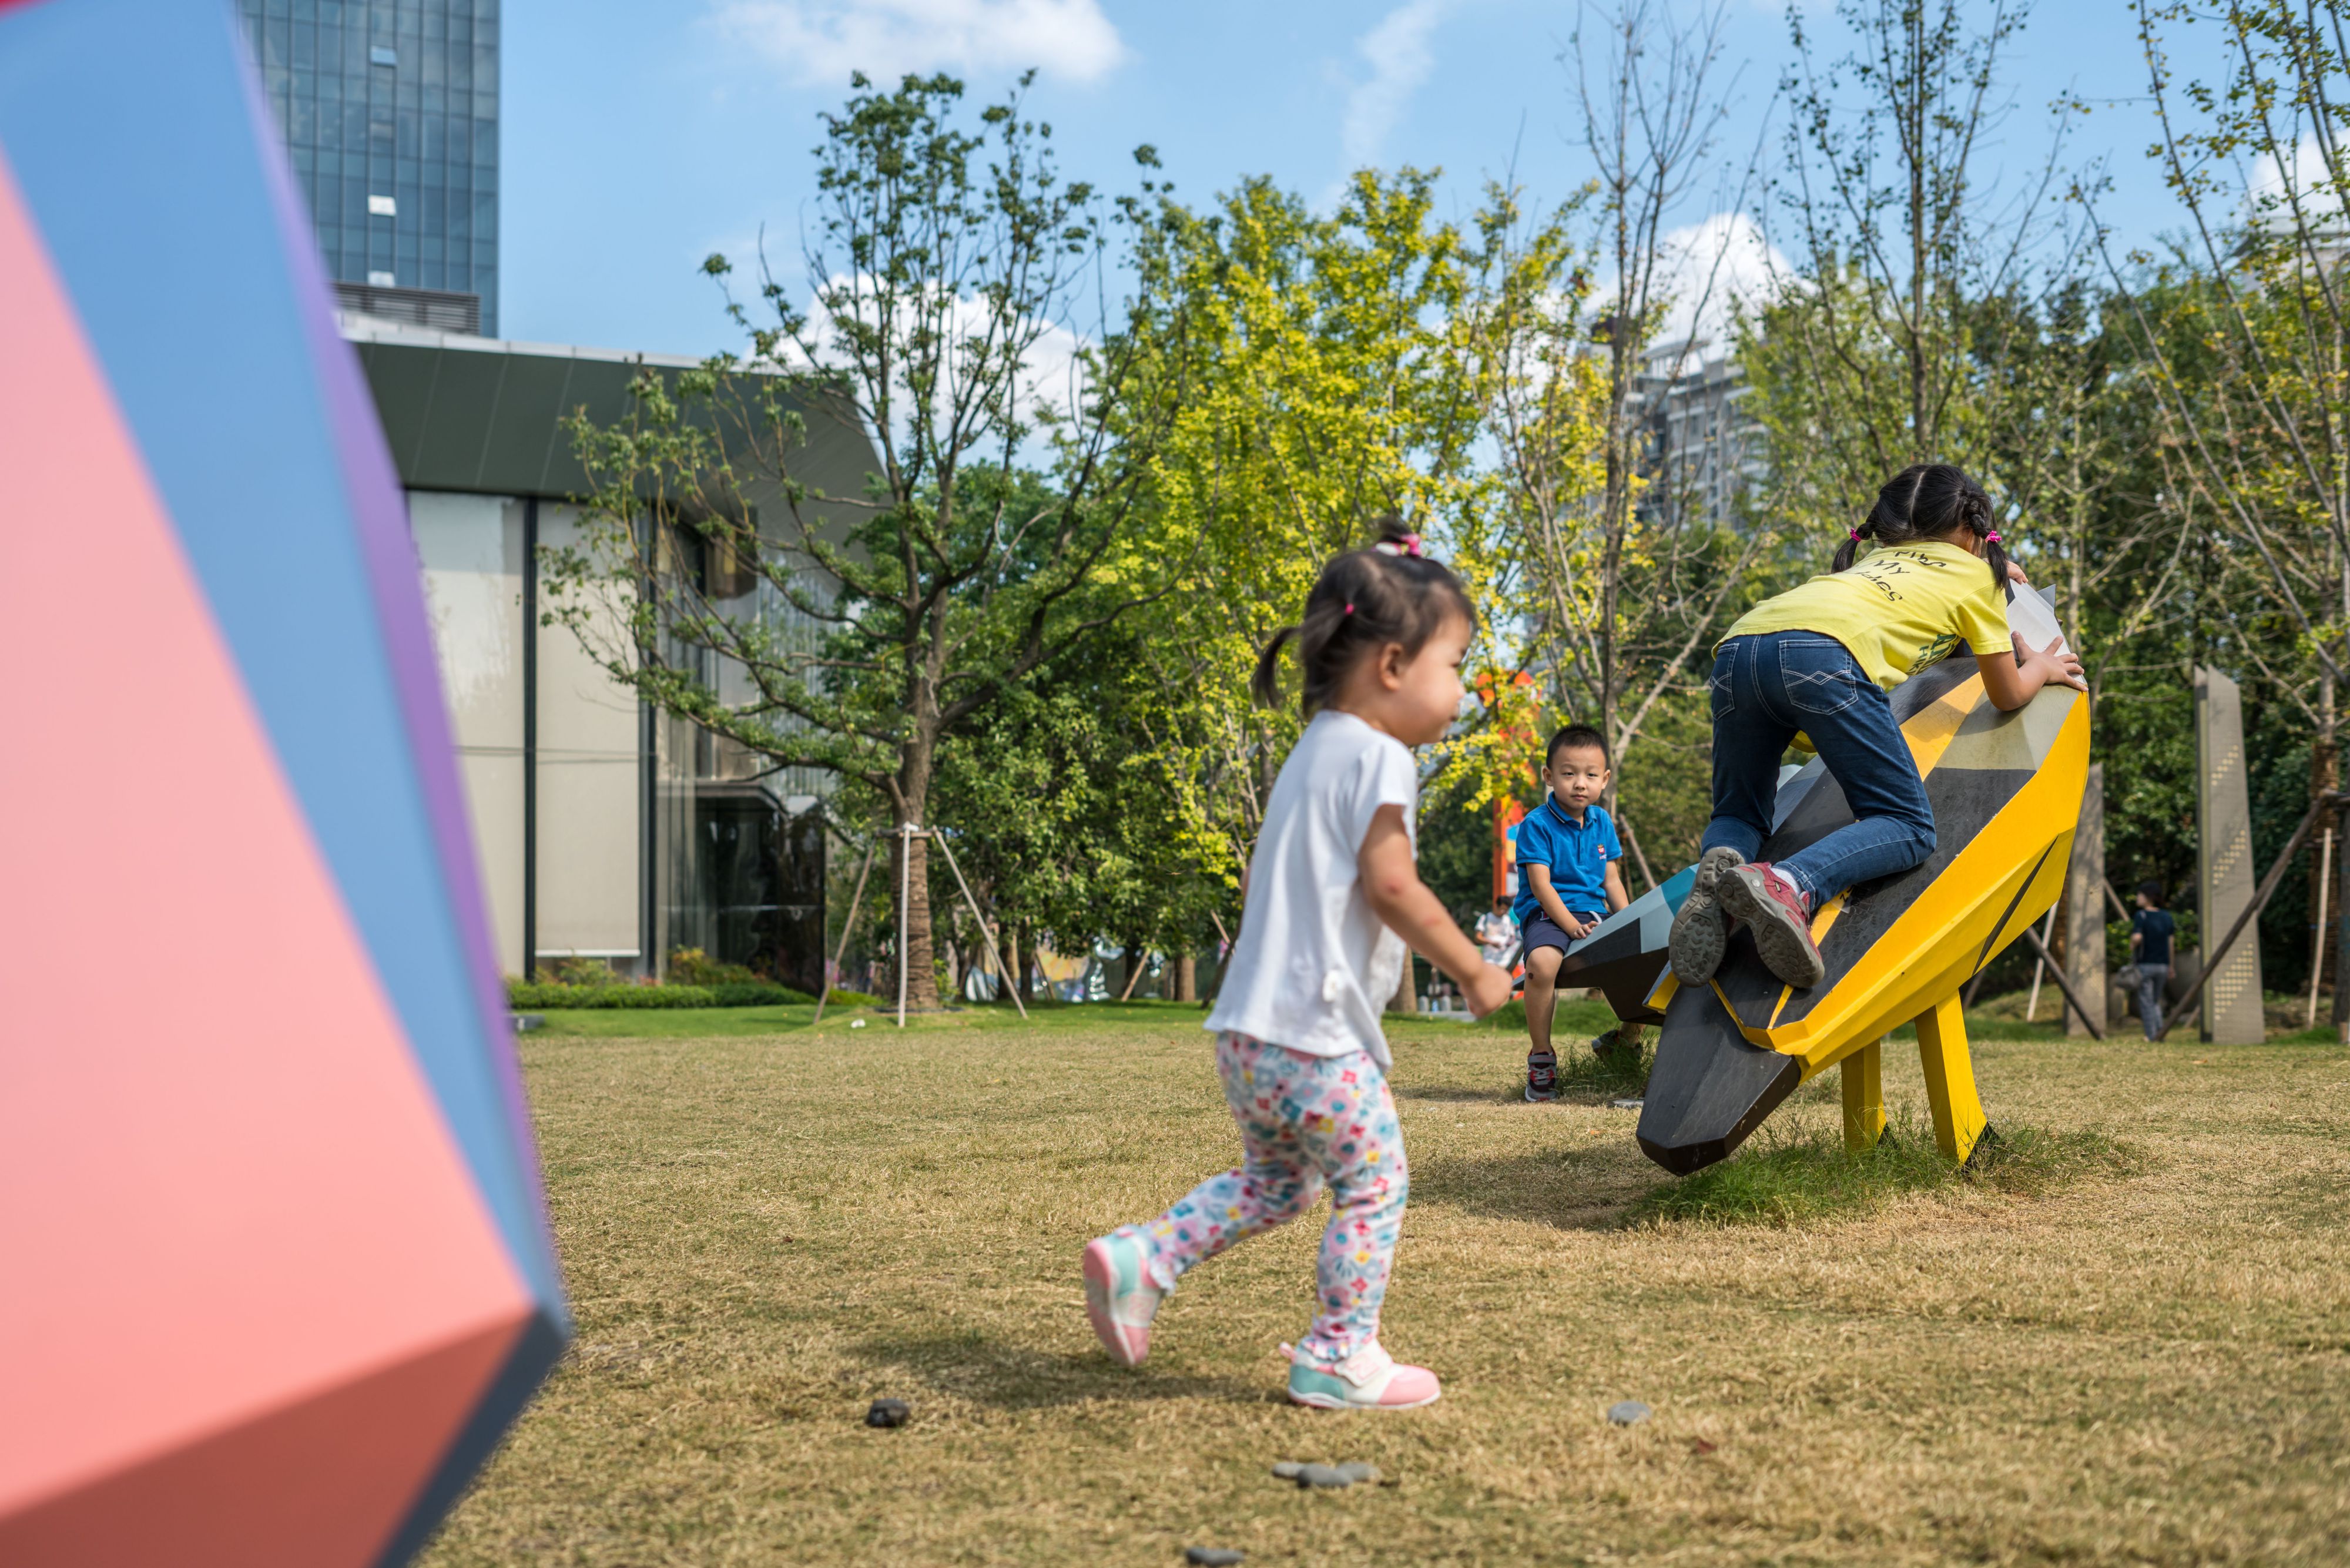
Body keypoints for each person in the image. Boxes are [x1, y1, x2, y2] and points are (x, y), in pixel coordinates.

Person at [1080, 522, 1513, 1412]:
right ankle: (1337, 1354)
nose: (1461, 688)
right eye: (1454, 663)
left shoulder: (1313, 747)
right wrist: (1472, 969)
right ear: (1391, 666)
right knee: (1375, 1184)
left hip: (1248, 1030)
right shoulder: (1381, 755)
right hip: (1313, 1037)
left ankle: (1146, 1256)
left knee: (1278, 1182)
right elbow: (1391, 886)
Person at [1670, 464, 2087, 990]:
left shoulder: (1873, 561)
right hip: (1822, 658)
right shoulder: (1977, 576)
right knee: (1907, 826)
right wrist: (2043, 668)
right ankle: (1788, 883)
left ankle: (1721, 864)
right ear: (1973, 529)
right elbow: (2006, 695)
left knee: (1739, 812)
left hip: (1739, 648)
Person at [1514, 725, 1630, 1101]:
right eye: (1569, 773)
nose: (1580, 783)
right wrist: (1571, 926)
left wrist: (1630, 923)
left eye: (1591, 775)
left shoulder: (1603, 822)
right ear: (1549, 776)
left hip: (1595, 913)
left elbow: (1611, 881)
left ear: (1605, 779)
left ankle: (1625, 1041)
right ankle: (1542, 1057)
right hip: (1549, 916)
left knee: (1651, 957)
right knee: (1541, 966)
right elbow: (1541, 887)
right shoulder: (1536, 825)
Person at [2130, 881, 2175, 1040]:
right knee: (2156, 1001)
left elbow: (2137, 937)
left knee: (2146, 1002)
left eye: (2140, 894)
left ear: (2148, 897)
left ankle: (2151, 1035)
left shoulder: (2141, 915)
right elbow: (2171, 943)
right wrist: (2171, 966)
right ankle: (2160, 1033)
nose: (2138, 897)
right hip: (2163, 965)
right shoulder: (2166, 916)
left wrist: (2131, 944)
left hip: (2146, 965)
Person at [1474, 897, 1517, 968]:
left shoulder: (1509, 920)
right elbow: (1478, 937)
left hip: (1505, 961)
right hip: (1489, 960)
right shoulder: (1485, 918)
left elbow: (1512, 936)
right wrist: (1491, 943)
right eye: (1503, 909)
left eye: (1506, 910)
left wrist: (1508, 944)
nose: (1504, 912)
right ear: (1497, 906)